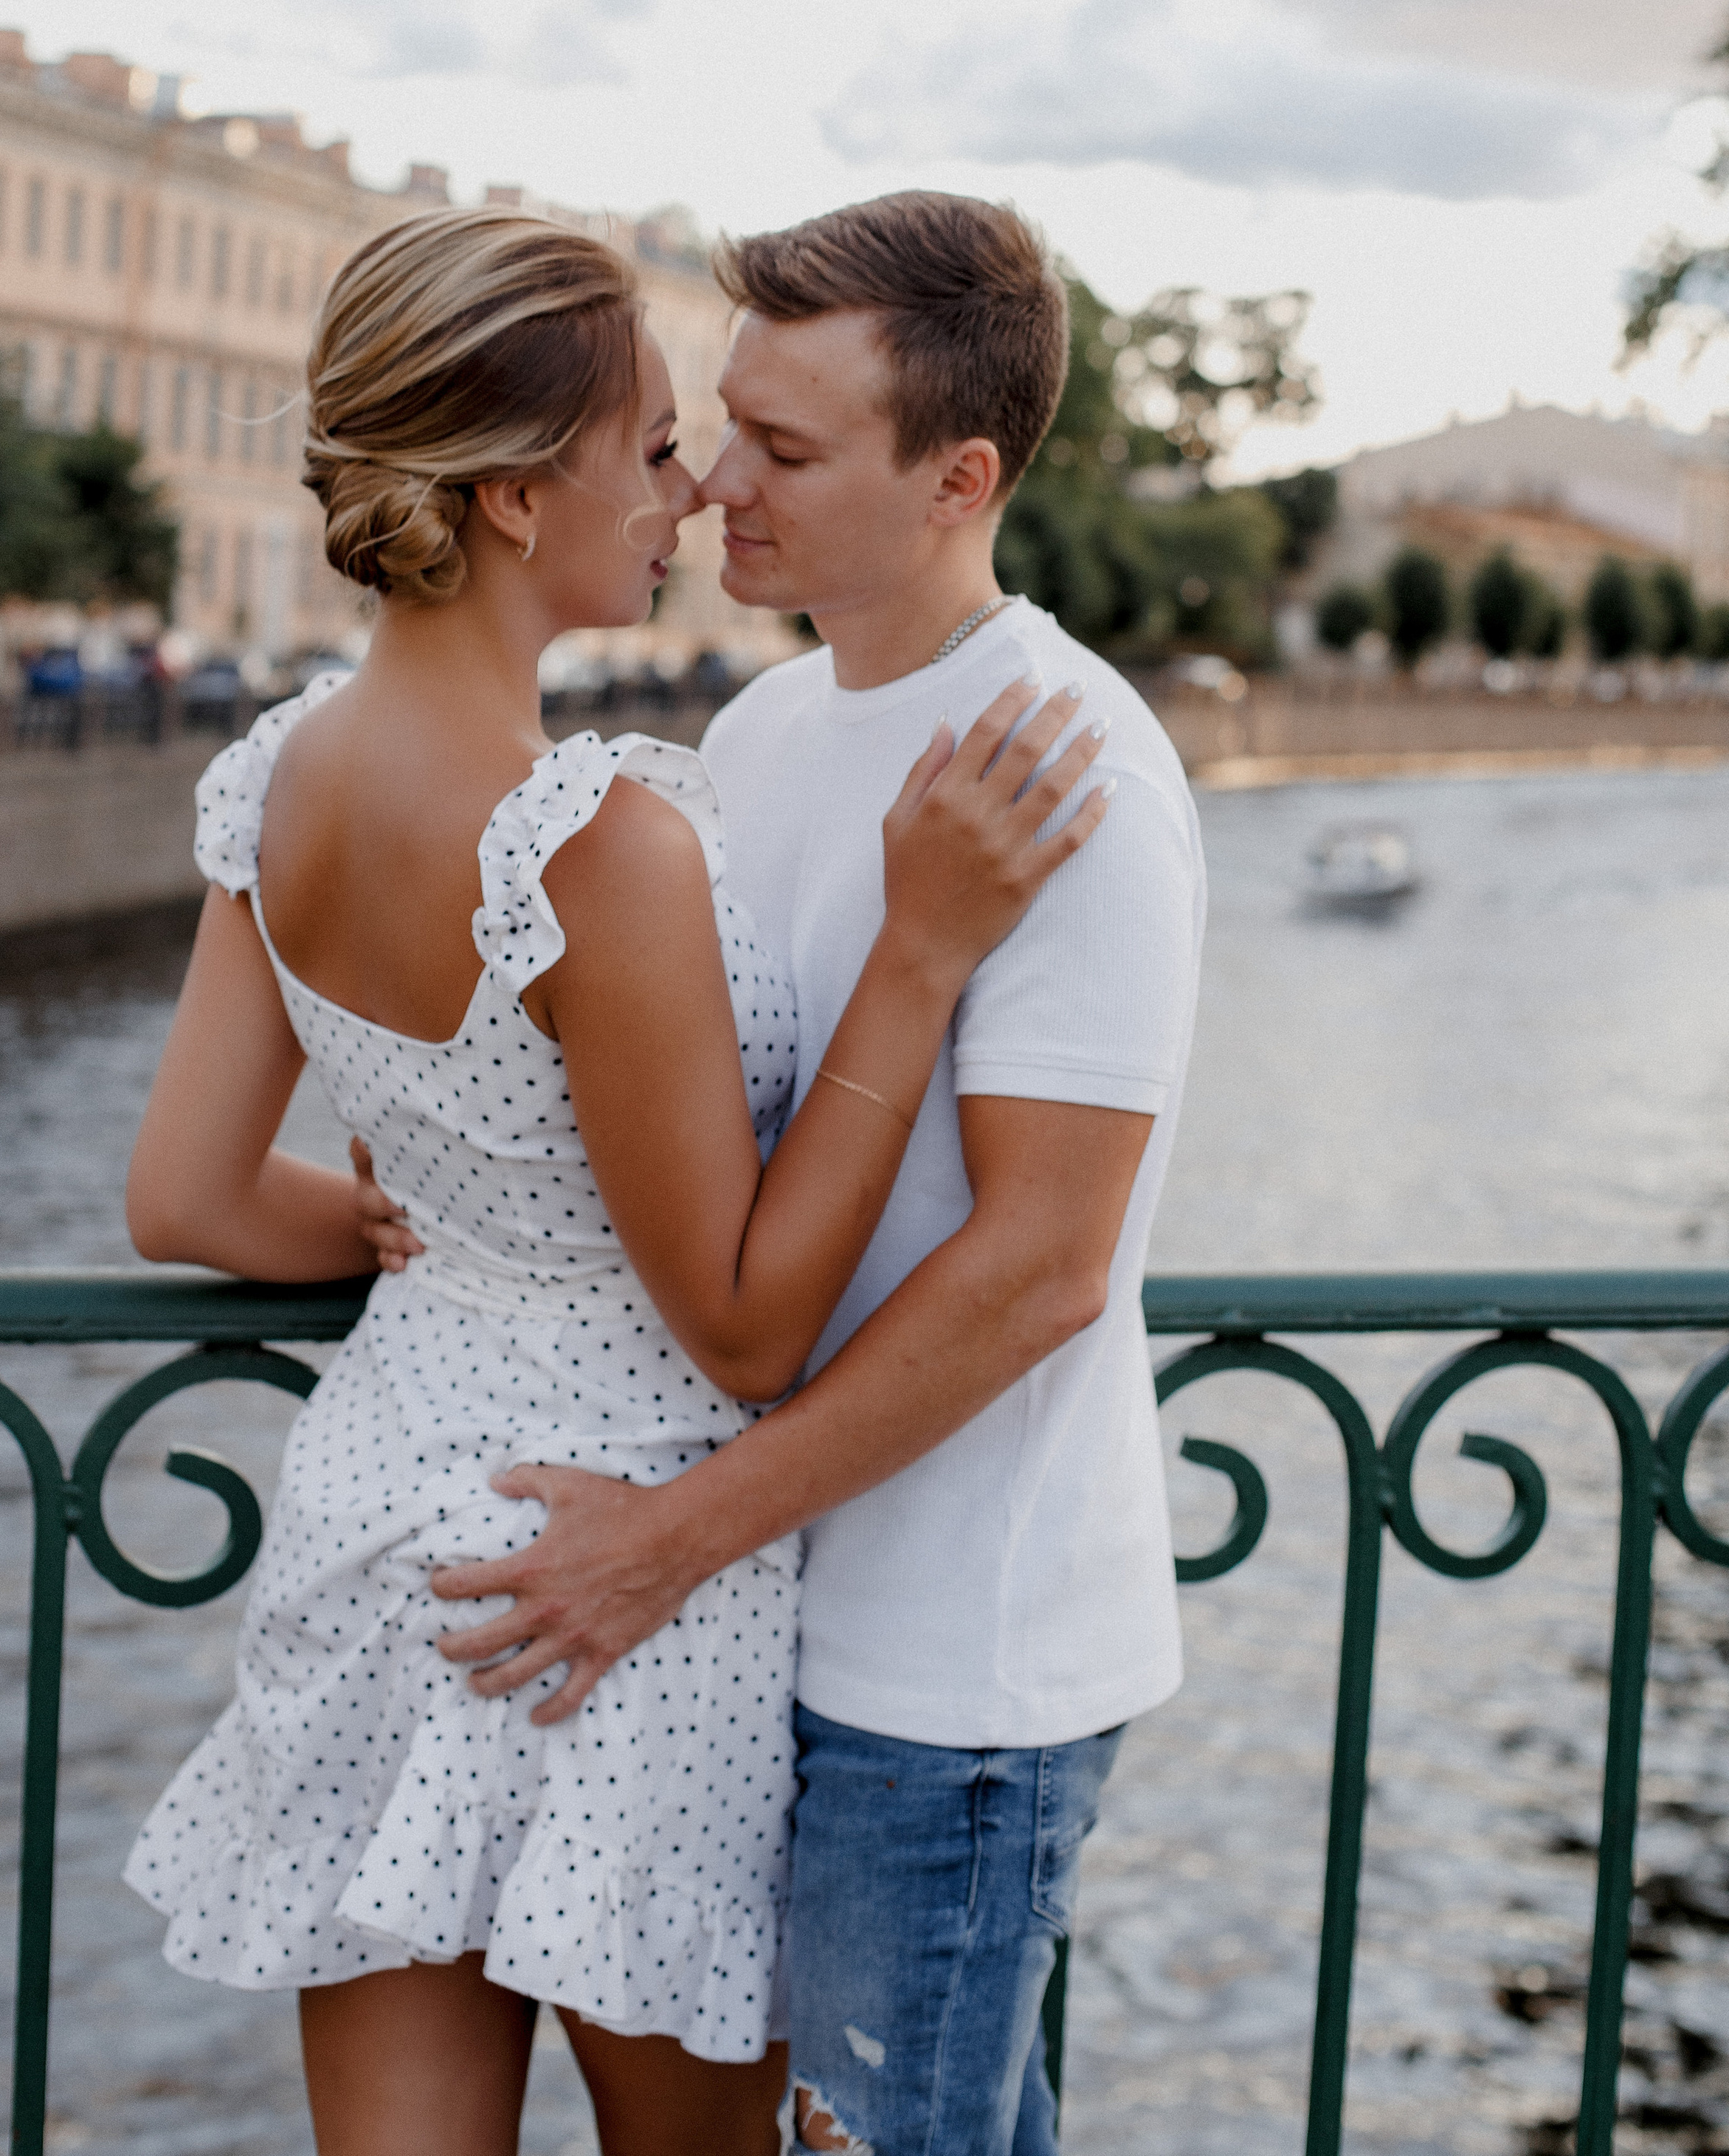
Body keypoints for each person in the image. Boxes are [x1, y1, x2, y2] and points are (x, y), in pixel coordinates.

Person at [118, 204, 1108, 2156]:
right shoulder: (595, 835)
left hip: (389, 1529)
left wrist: (413, 1228)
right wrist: (917, 958)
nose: (688, 490)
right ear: (509, 495)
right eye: (650, 446)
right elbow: (739, 1319)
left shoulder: (291, 775)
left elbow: (187, 1200)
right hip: (617, 1587)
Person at [399, 191, 1207, 2156]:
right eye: (724, 423)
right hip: (760, 1633)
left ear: (960, 478)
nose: (714, 484)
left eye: (785, 447)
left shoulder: (1062, 759)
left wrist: (662, 1541)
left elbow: (1036, 1273)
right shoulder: (762, 730)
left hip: (950, 1678)